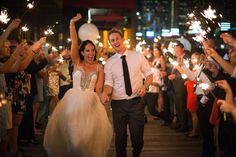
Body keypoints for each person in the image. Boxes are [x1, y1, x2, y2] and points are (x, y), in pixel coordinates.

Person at [43, 13, 113, 157]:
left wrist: (103, 96)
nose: (91, 53)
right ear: (82, 52)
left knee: (86, 140)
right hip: (72, 103)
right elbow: (74, 42)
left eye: (93, 50)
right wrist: (72, 24)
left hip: (91, 105)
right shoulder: (77, 62)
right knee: (74, 141)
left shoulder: (99, 67)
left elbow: (99, 89)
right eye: (87, 50)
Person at [101, 28, 153, 157]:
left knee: (137, 138)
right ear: (110, 43)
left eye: (117, 39)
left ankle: (136, 153)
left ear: (122, 39)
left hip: (136, 102)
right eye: (112, 40)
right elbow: (109, 83)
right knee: (120, 137)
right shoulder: (109, 63)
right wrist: (105, 93)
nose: (115, 42)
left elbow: (149, 74)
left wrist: (145, 86)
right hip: (118, 104)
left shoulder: (137, 56)